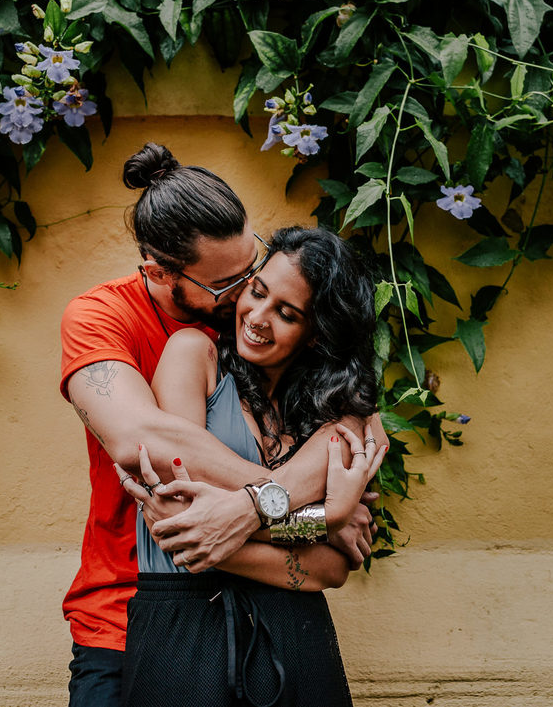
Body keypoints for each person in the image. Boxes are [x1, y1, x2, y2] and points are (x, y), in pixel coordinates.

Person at [59, 143, 386, 706]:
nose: (246, 303)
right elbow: (152, 444)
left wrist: (245, 510)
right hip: (127, 609)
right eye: (229, 287)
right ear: (159, 272)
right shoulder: (105, 318)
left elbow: (333, 554)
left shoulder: (282, 360)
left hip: (275, 615)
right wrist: (315, 511)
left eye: (251, 272)